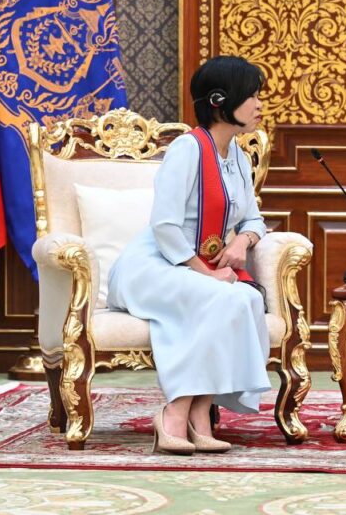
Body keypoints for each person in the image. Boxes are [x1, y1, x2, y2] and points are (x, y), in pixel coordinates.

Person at [107, 55, 270, 455]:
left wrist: (242, 241)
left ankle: (200, 412)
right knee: (222, 296)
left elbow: (254, 218)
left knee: (246, 298)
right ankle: (175, 413)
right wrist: (206, 274)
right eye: (250, 95)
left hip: (191, 269)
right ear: (219, 101)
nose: (259, 104)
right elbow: (165, 225)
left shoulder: (236, 156)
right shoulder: (187, 149)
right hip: (153, 266)